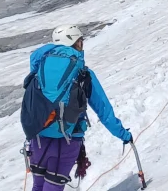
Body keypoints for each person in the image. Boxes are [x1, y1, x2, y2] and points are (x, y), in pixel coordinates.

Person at [23, 25, 132, 191]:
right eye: (81, 41)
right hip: (68, 139)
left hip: (38, 135)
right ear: (76, 43)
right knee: (53, 187)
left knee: (38, 186)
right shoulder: (83, 74)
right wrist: (124, 135)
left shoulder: (39, 68)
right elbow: (104, 111)